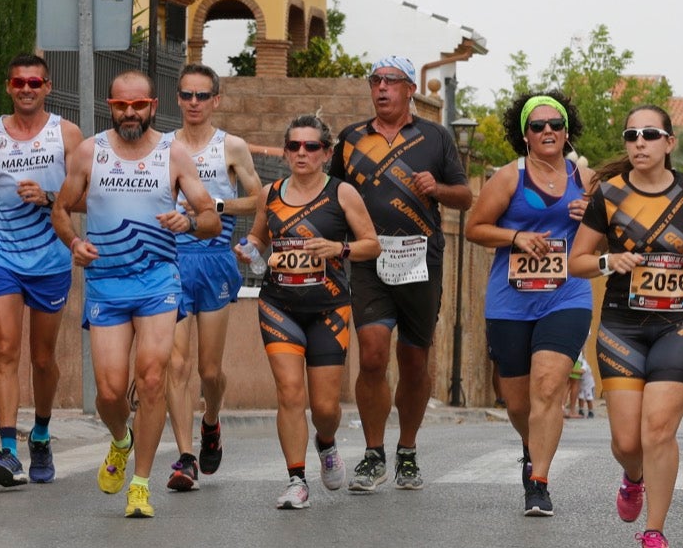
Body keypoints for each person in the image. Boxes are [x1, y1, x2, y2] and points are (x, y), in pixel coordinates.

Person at [50, 71, 220, 519]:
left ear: (152, 106)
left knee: (151, 378)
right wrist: (74, 243)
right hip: (106, 282)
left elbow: (212, 219)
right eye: (121, 105)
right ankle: (120, 440)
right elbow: (61, 209)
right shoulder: (91, 152)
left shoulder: (173, 154)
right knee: (109, 393)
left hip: (157, 280)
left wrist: (190, 222)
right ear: (110, 106)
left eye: (138, 105)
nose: (130, 113)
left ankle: (141, 485)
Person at [571, 105, 683, 548]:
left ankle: (654, 532)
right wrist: (607, 261)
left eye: (650, 134)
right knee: (627, 443)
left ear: (669, 143)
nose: (639, 142)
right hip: (622, 327)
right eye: (631, 135)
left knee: (658, 431)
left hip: (681, 325)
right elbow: (576, 261)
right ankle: (632, 476)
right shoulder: (608, 194)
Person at [330, 55, 473, 493]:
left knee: (414, 361)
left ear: (410, 89)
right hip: (369, 258)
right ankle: (374, 453)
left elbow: (465, 196)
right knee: (373, 355)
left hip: (419, 259)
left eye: (391, 81)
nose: (382, 87)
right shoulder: (351, 138)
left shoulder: (435, 137)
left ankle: (407, 449)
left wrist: (437, 188)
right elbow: (332, 195)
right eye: (376, 80)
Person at [464, 91, 595, 516]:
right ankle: (529, 444)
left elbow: (610, 237)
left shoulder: (586, 178)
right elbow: (474, 228)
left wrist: (594, 216)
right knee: (519, 402)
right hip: (511, 302)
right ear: (525, 135)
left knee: (549, 386)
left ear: (567, 131)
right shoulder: (508, 178)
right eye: (537, 126)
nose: (547, 131)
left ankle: (538, 481)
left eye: (555, 124)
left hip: (567, 295)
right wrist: (516, 237)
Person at [243, 115, 380, 510]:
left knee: (324, 408)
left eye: (311, 146)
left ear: (326, 153)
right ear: (286, 152)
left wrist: (340, 249)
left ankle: (327, 441)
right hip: (278, 306)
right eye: (294, 146)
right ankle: (296, 479)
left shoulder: (342, 193)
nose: (301, 153)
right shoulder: (270, 193)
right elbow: (258, 236)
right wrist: (249, 249)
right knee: (289, 392)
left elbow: (372, 244)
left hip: (328, 310)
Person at [0, 53, 83, 488]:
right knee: (7, 350)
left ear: (47, 87)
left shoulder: (66, 134)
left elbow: (86, 194)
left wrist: (49, 198)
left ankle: (42, 434)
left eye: (34, 83)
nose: (26, 89)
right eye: (18, 83)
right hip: (2, 256)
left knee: (42, 359)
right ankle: (8, 450)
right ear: (9, 87)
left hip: (50, 259)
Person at [162, 64, 263, 491]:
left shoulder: (231, 147)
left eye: (202, 96)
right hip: (171, 260)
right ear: (178, 99)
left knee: (209, 370)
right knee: (176, 364)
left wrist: (216, 207)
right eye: (187, 95)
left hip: (214, 259)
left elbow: (260, 199)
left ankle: (212, 419)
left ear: (216, 100)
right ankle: (185, 458)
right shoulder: (163, 146)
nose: (194, 103)